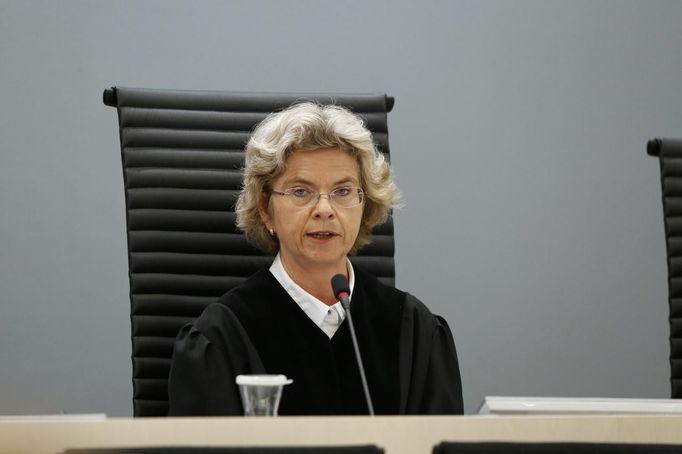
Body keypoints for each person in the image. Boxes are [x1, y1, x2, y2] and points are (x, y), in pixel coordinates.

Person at [167, 102, 463, 416]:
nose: (325, 209)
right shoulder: (221, 336)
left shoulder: (415, 330)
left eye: (343, 191)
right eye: (300, 191)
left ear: (365, 205)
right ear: (266, 209)